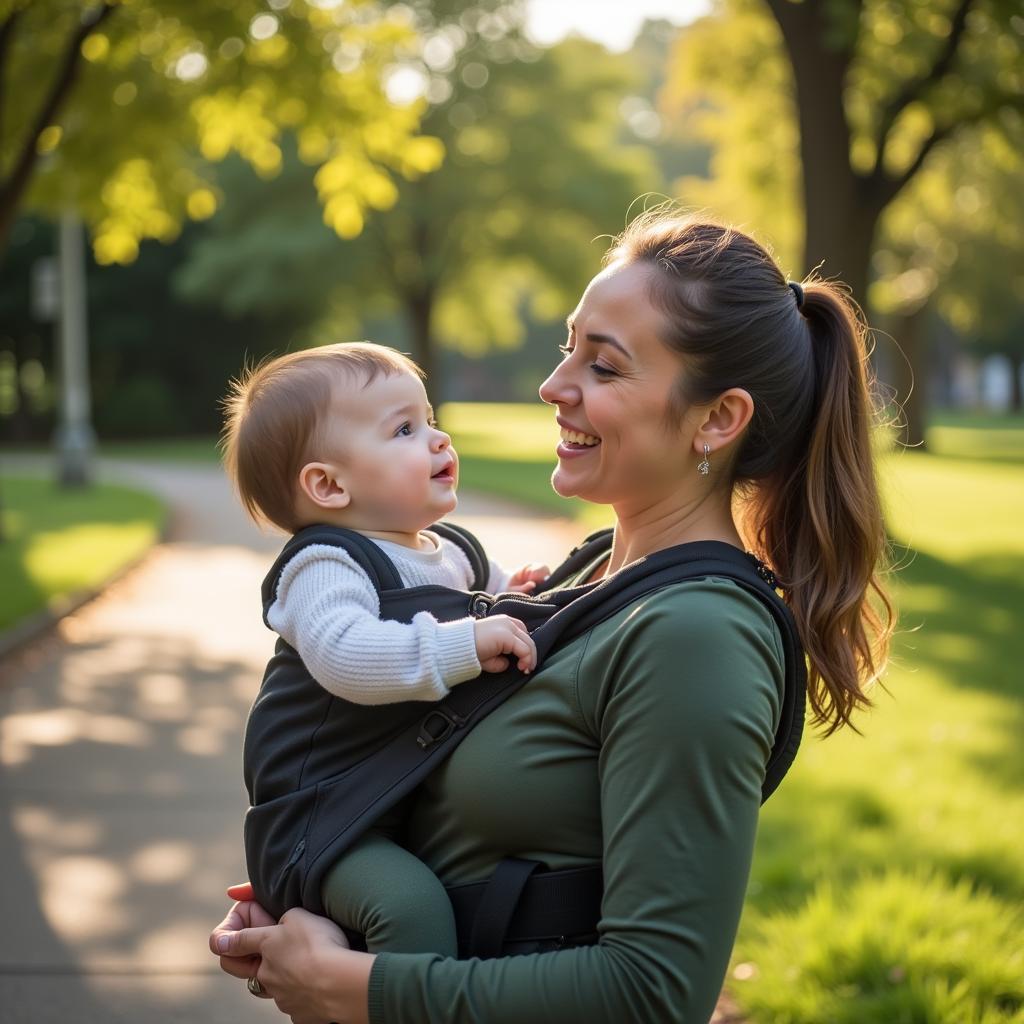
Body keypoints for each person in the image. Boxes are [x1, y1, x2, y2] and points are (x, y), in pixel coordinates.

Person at [210, 213, 895, 1024]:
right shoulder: (585, 581)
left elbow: (653, 994)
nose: (554, 384)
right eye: (569, 347)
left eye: (602, 366)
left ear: (717, 420)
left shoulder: (696, 636)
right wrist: (319, 906)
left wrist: (352, 989)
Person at [220, 341, 549, 957]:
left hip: (389, 798)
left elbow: (492, 601)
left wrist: (522, 592)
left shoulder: (451, 550)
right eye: (404, 429)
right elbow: (346, 654)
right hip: (321, 821)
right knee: (411, 909)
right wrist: (467, 644)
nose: (437, 439)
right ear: (328, 485)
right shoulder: (326, 564)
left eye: (429, 419)